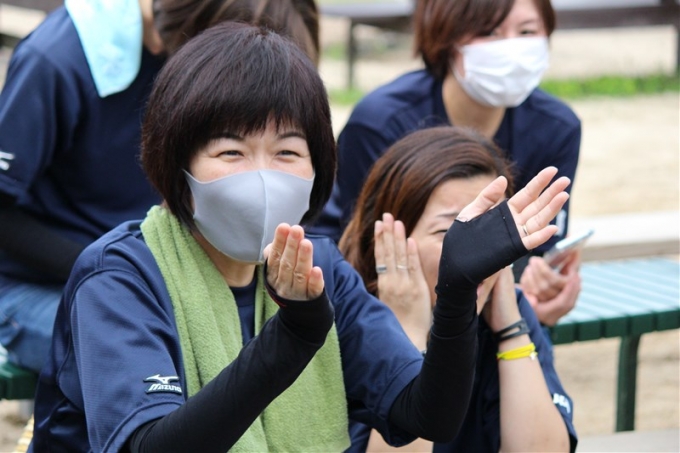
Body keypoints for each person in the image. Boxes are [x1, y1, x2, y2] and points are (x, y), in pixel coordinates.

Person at [29, 22, 571, 452]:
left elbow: (424, 415)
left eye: (287, 152)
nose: (263, 175)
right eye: (231, 152)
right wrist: (292, 338)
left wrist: (454, 292)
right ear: (177, 163)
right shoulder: (122, 276)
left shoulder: (323, 270)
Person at [0, 0, 320, 373]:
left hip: (174, 279)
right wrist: (119, 271)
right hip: (38, 286)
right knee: (181, 358)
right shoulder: (56, 61)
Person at [308, 0, 582, 328]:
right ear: (446, 37)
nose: (510, 47)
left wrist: (542, 285)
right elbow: (368, 253)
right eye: (489, 32)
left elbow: (539, 250)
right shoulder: (381, 124)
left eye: (526, 31)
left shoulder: (557, 128)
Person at [340, 126, 576, 452]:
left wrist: (511, 329)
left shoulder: (504, 309)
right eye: (447, 233)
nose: (472, 254)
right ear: (386, 238)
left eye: (489, 230)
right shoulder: (350, 317)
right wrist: (407, 332)